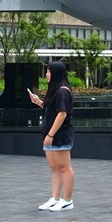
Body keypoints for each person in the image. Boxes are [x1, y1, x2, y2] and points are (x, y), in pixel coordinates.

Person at [28, 60, 75, 211]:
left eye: (48, 71)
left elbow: (62, 114)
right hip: (50, 135)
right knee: (55, 168)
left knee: (64, 168)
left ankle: (67, 200)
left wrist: (50, 134)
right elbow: (53, 110)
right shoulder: (55, 91)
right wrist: (39, 102)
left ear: (55, 73)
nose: (46, 74)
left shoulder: (62, 91)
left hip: (59, 135)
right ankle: (55, 198)